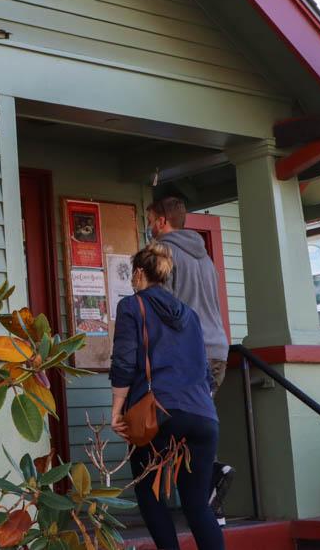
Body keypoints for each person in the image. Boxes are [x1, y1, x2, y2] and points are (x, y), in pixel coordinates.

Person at [109, 243, 225, 550]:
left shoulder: (131, 306)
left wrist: (117, 410)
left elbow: (123, 361)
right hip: (203, 414)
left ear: (139, 273)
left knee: (151, 497)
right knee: (197, 505)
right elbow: (204, 369)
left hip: (158, 412)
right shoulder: (191, 315)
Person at [146, 196, 235, 523]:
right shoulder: (205, 258)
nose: (149, 227)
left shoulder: (162, 254)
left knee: (174, 426)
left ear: (161, 221)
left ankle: (209, 481)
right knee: (194, 426)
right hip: (216, 353)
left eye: (150, 219)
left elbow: (158, 307)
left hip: (187, 355)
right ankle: (211, 497)